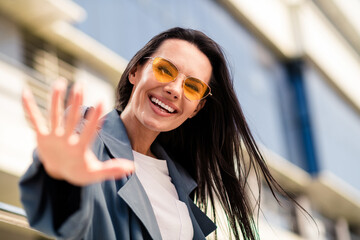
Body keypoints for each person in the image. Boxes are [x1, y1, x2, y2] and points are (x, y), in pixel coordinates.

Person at [20, 27, 293, 240]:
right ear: (136, 71)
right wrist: (57, 177)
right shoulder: (87, 137)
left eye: (193, 87)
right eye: (165, 69)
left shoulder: (178, 177)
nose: (174, 89)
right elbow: (63, 215)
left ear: (197, 108)